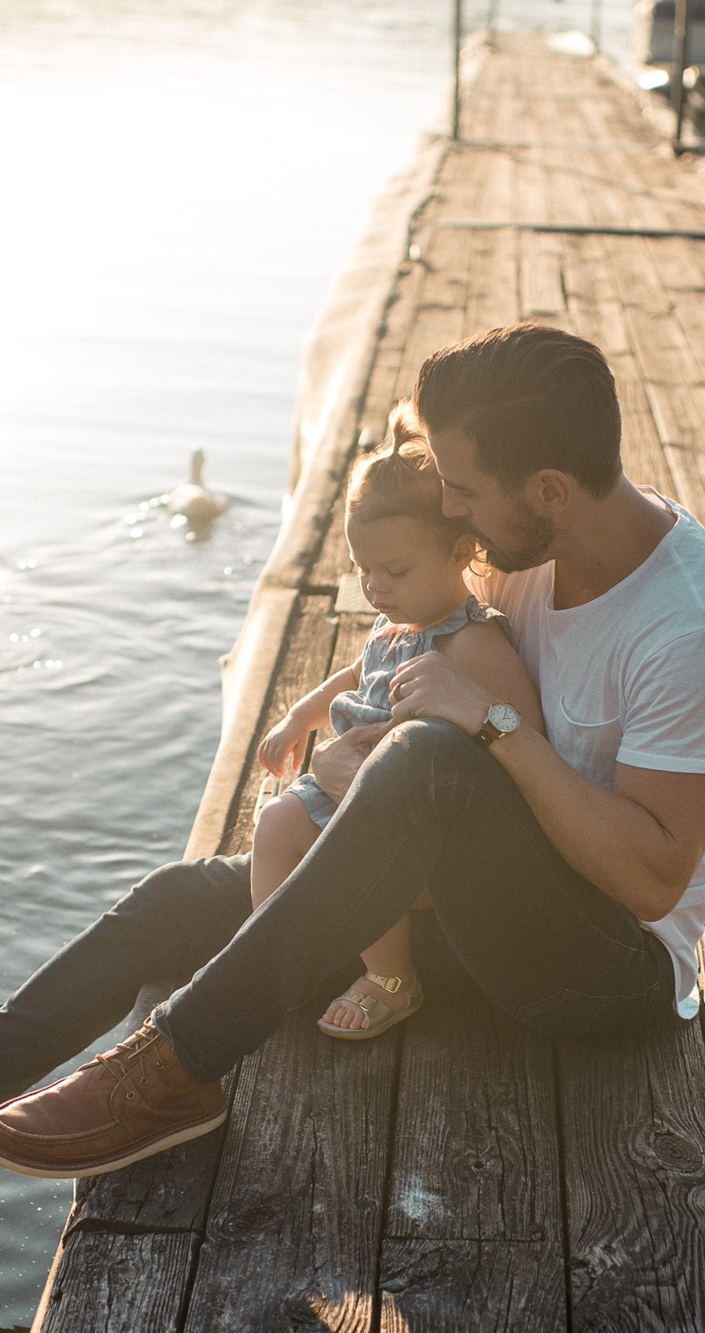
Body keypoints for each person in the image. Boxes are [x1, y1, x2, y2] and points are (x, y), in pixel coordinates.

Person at [0, 322, 705, 1191]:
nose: (449, 509)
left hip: (600, 973)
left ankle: (175, 1068)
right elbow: (422, 651)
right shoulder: (528, 558)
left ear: (549, 488)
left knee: (427, 762)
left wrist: (490, 731)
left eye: (463, 490)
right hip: (468, 912)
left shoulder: (700, 631)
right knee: (177, 900)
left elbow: (650, 882)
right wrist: (327, 709)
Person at [252, 405, 543, 1038]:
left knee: (359, 853)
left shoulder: (472, 643)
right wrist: (300, 718)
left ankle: (393, 977)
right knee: (274, 823)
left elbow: (523, 734)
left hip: (413, 820)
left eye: (396, 571)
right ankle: (277, 959)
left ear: (463, 550)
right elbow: (356, 676)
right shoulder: (396, 624)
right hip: (348, 782)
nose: (375, 589)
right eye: (363, 572)